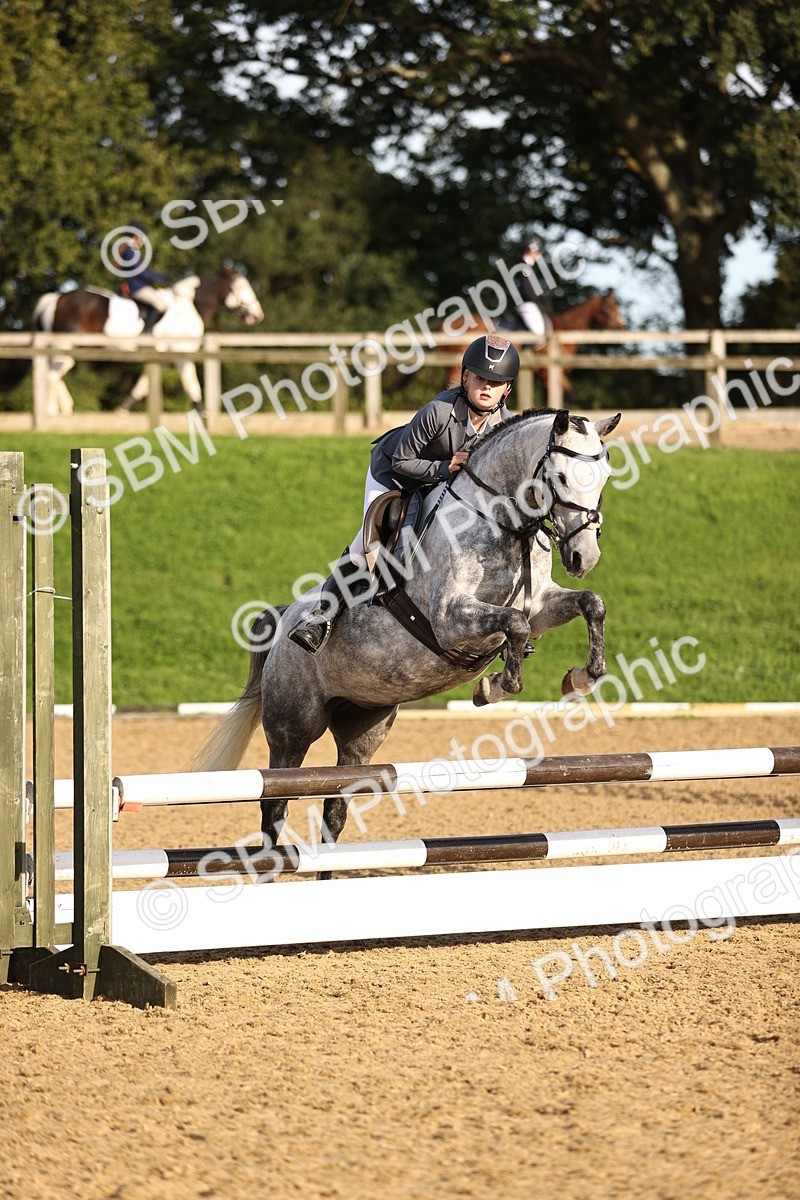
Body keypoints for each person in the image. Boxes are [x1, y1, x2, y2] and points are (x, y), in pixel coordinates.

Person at [288, 333, 521, 654]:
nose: (486, 387)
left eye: (495, 382)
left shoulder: (503, 426)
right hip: (394, 471)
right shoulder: (438, 412)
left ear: (506, 389)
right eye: (480, 378)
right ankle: (320, 617)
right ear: (465, 377)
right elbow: (402, 462)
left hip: (443, 480)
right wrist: (443, 469)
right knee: (370, 540)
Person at [116, 221, 171, 331]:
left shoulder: (131, 251)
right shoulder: (129, 252)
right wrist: (162, 278)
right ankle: (145, 333)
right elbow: (141, 272)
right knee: (161, 305)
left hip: (138, 285)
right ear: (136, 236)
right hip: (136, 287)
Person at [503, 237, 553, 341]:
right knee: (539, 331)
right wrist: (539, 304)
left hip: (530, 303)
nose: (538, 254)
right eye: (536, 251)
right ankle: (528, 350)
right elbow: (527, 290)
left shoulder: (529, 266)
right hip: (526, 304)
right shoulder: (523, 266)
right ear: (528, 251)